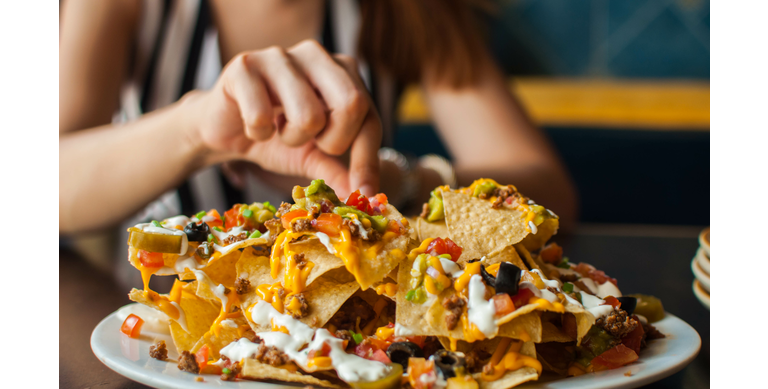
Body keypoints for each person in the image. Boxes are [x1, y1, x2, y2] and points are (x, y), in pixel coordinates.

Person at [60, 0, 577, 239]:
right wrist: (196, 130)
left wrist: (396, 181)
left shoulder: (410, 10)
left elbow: (550, 192)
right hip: (149, 332)